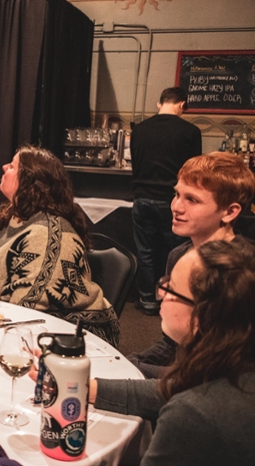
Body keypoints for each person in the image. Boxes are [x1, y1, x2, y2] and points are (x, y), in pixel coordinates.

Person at [90, 239, 255, 466]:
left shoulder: (192, 414)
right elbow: (173, 387)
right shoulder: (235, 365)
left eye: (172, 288)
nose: (162, 293)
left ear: (201, 319)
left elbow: (185, 401)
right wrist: (85, 388)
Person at [0, 145, 120, 347]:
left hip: (72, 335)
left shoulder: (46, 235)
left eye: (11, 166)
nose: (3, 167)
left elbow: (27, 310)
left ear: (28, 181)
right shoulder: (14, 218)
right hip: (12, 321)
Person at [127, 152, 255, 378]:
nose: (176, 207)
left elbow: (217, 377)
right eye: (176, 194)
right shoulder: (179, 256)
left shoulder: (242, 269)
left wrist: (131, 369)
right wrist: (129, 362)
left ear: (230, 211)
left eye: (192, 200)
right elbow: (173, 344)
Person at [131, 87, 202, 315]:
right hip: (172, 201)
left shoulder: (139, 129)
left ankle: (147, 299)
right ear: (182, 105)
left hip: (141, 197)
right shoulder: (190, 131)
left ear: (159, 104)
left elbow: (135, 164)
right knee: (176, 251)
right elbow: (194, 171)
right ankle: (173, 299)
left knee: (145, 252)